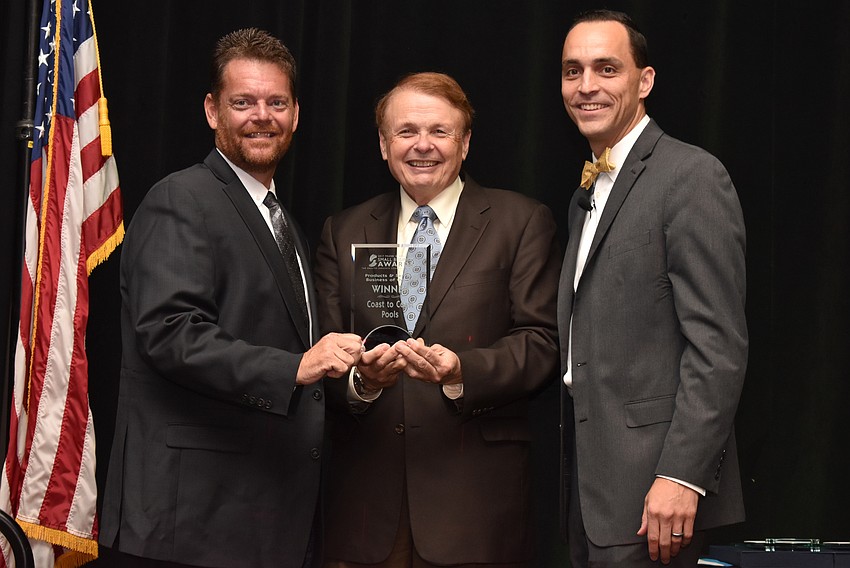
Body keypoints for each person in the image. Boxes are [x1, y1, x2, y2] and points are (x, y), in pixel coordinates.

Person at [99, 28, 362, 568]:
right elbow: (170, 334)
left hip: (262, 515)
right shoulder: (180, 198)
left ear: (296, 114)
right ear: (212, 111)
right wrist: (295, 367)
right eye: (243, 102)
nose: (262, 116)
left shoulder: (284, 222)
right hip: (192, 523)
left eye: (277, 103)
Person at [314, 72, 560, 567]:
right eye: (406, 131)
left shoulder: (520, 222)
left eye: (439, 131)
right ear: (383, 145)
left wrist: (461, 371)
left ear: (464, 143)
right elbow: (320, 350)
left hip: (475, 508)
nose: (422, 145)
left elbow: (542, 342)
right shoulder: (343, 231)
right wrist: (362, 382)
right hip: (366, 511)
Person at [557, 9, 748, 568]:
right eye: (572, 71)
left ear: (644, 81)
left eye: (606, 68)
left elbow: (718, 348)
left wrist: (682, 475)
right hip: (593, 495)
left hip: (657, 498)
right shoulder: (585, 195)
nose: (586, 86)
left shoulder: (691, 176)